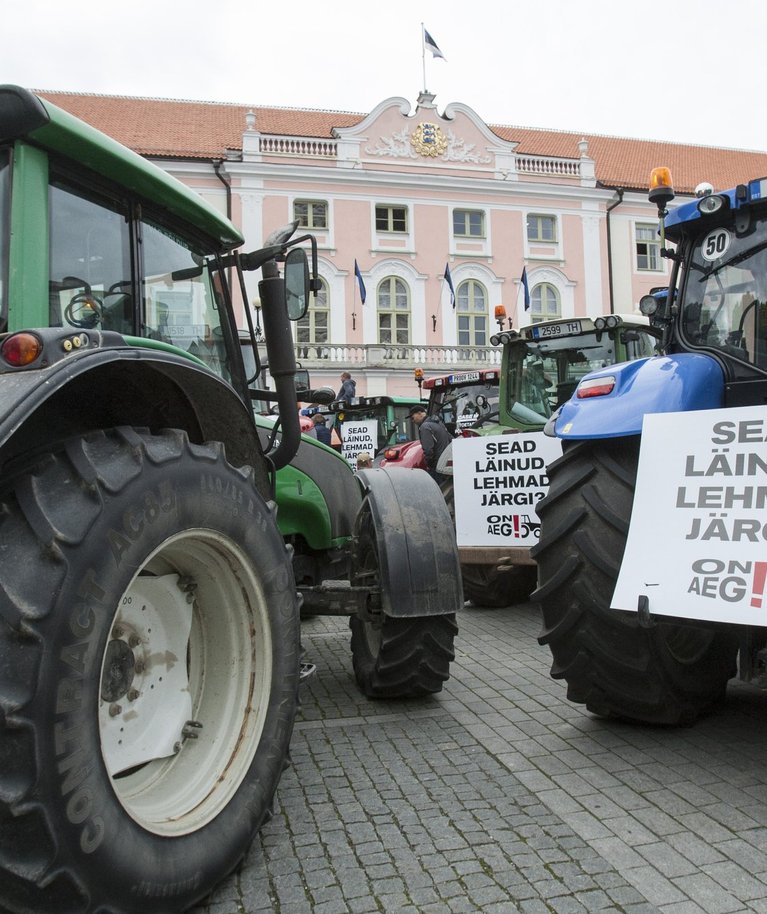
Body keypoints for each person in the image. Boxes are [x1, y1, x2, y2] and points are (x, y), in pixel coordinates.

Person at [408, 405, 452, 482]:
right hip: (446, 464)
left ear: (419, 413)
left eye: (412, 418)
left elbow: (428, 449)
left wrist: (429, 464)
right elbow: (451, 439)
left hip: (437, 466)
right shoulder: (439, 423)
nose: (412, 421)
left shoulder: (425, 427)